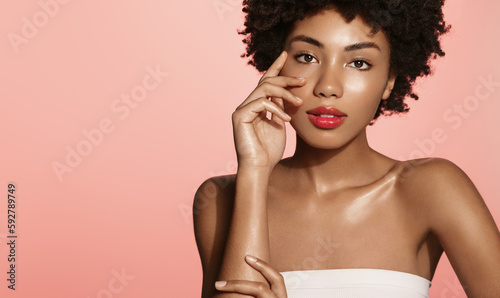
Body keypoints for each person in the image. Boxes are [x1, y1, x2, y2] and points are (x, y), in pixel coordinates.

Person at [193, 1, 500, 297]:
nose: (328, 87)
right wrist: (255, 173)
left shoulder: (431, 188)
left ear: (390, 80)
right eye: (307, 57)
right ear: (277, 66)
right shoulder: (221, 200)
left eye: (358, 62)